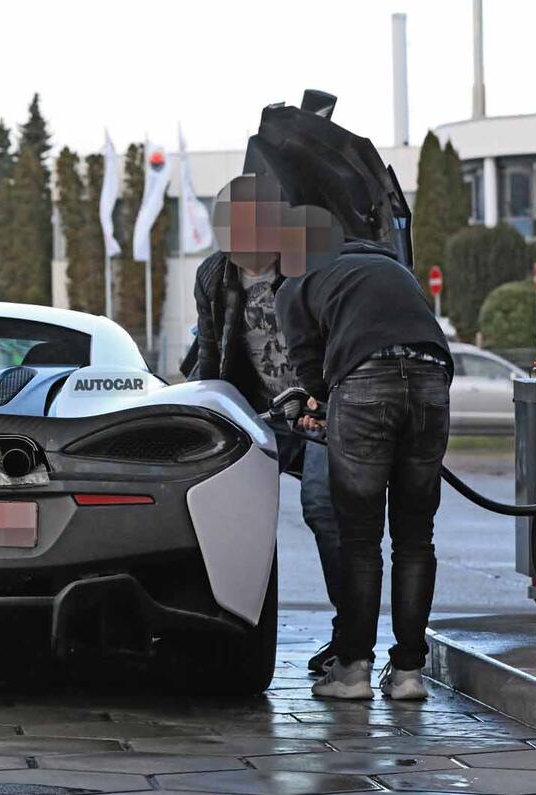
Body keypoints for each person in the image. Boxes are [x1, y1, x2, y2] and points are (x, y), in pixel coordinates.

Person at [255, 105, 453, 701]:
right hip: (433, 378)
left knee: (361, 536)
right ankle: (411, 673)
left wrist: (315, 403)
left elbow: (312, 372)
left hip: (365, 385)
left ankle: (353, 670)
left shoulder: (297, 284)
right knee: (416, 536)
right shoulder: (388, 265)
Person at [188, 171, 345, 675]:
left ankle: (349, 636)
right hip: (263, 416)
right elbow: (212, 360)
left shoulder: (308, 267)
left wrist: (330, 403)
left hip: (323, 408)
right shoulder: (214, 276)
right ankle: (221, 627)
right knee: (217, 502)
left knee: (323, 505)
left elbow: (338, 343)